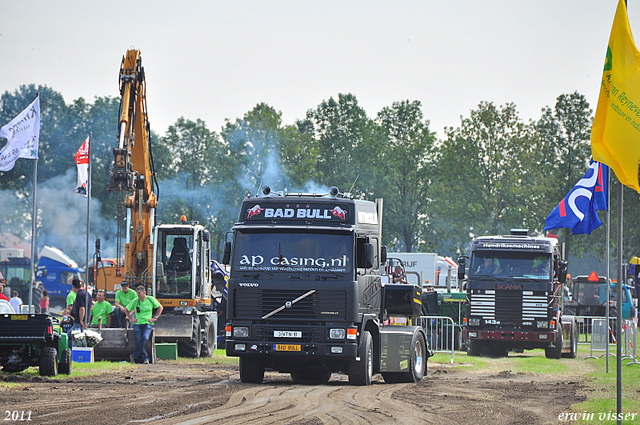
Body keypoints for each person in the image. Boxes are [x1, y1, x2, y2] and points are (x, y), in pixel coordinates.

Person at [125, 285, 163, 364]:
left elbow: (160, 307)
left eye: (139, 293)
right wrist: (131, 318)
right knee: (139, 340)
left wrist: (155, 317)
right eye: (137, 293)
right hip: (138, 324)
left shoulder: (150, 299)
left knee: (145, 338)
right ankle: (145, 358)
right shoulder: (135, 301)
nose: (138, 295)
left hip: (147, 323)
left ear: (144, 293)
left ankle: (134, 356)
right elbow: (126, 309)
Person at [68, 278, 93, 348]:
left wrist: (81, 320)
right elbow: (92, 305)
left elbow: (82, 309)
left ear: (73, 286)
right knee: (71, 335)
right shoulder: (87, 293)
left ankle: (71, 353)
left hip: (79, 322)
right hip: (86, 320)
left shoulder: (79, 295)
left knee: (74, 338)